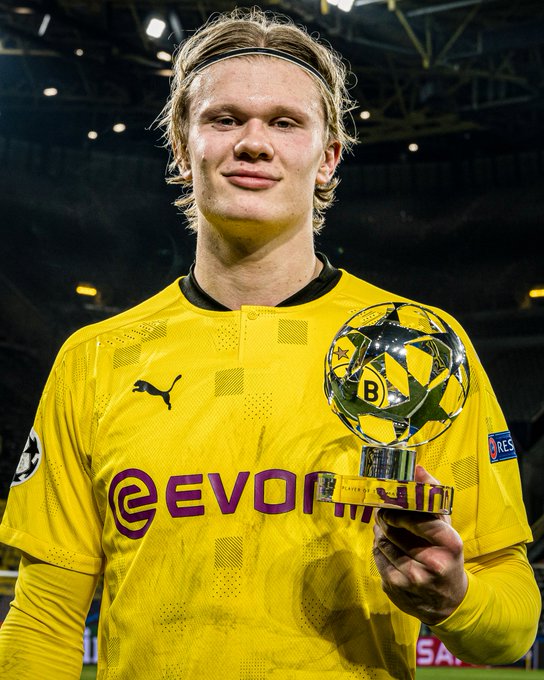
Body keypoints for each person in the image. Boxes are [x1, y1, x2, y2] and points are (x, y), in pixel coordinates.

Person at [0, 7, 540, 679]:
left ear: (328, 157)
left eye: (285, 122)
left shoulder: (421, 347)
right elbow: (44, 619)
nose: (254, 142)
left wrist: (456, 599)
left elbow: (513, 623)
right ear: (182, 147)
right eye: (225, 119)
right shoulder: (96, 359)